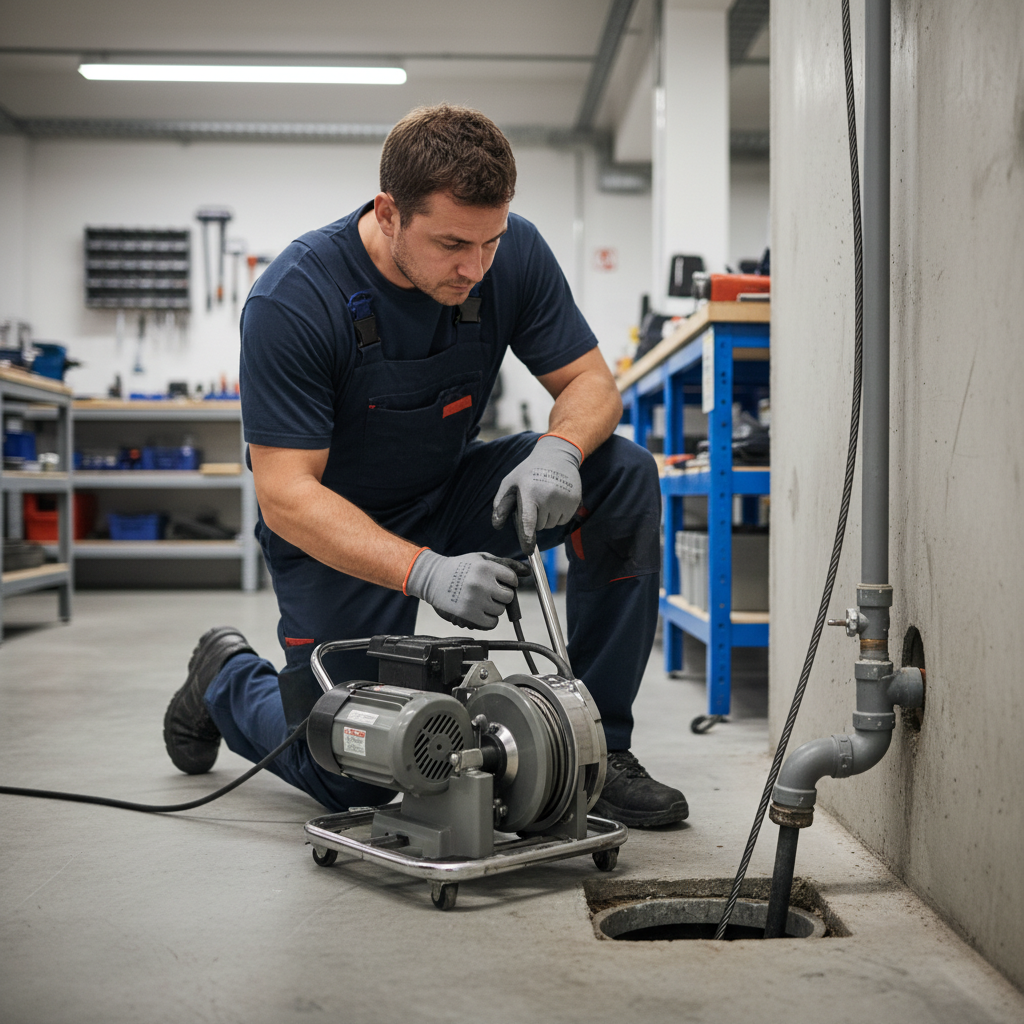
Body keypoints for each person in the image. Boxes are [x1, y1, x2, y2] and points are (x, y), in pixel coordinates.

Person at [163, 104, 687, 828]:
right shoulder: (294, 300)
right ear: (388, 212)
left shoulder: (514, 255)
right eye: (450, 245)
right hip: (336, 531)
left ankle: (597, 747)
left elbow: (592, 383)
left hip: (448, 494)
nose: (474, 268)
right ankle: (226, 677)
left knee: (622, 472)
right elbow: (285, 495)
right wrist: (426, 572)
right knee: (353, 774)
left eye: (490, 242)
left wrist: (561, 449)